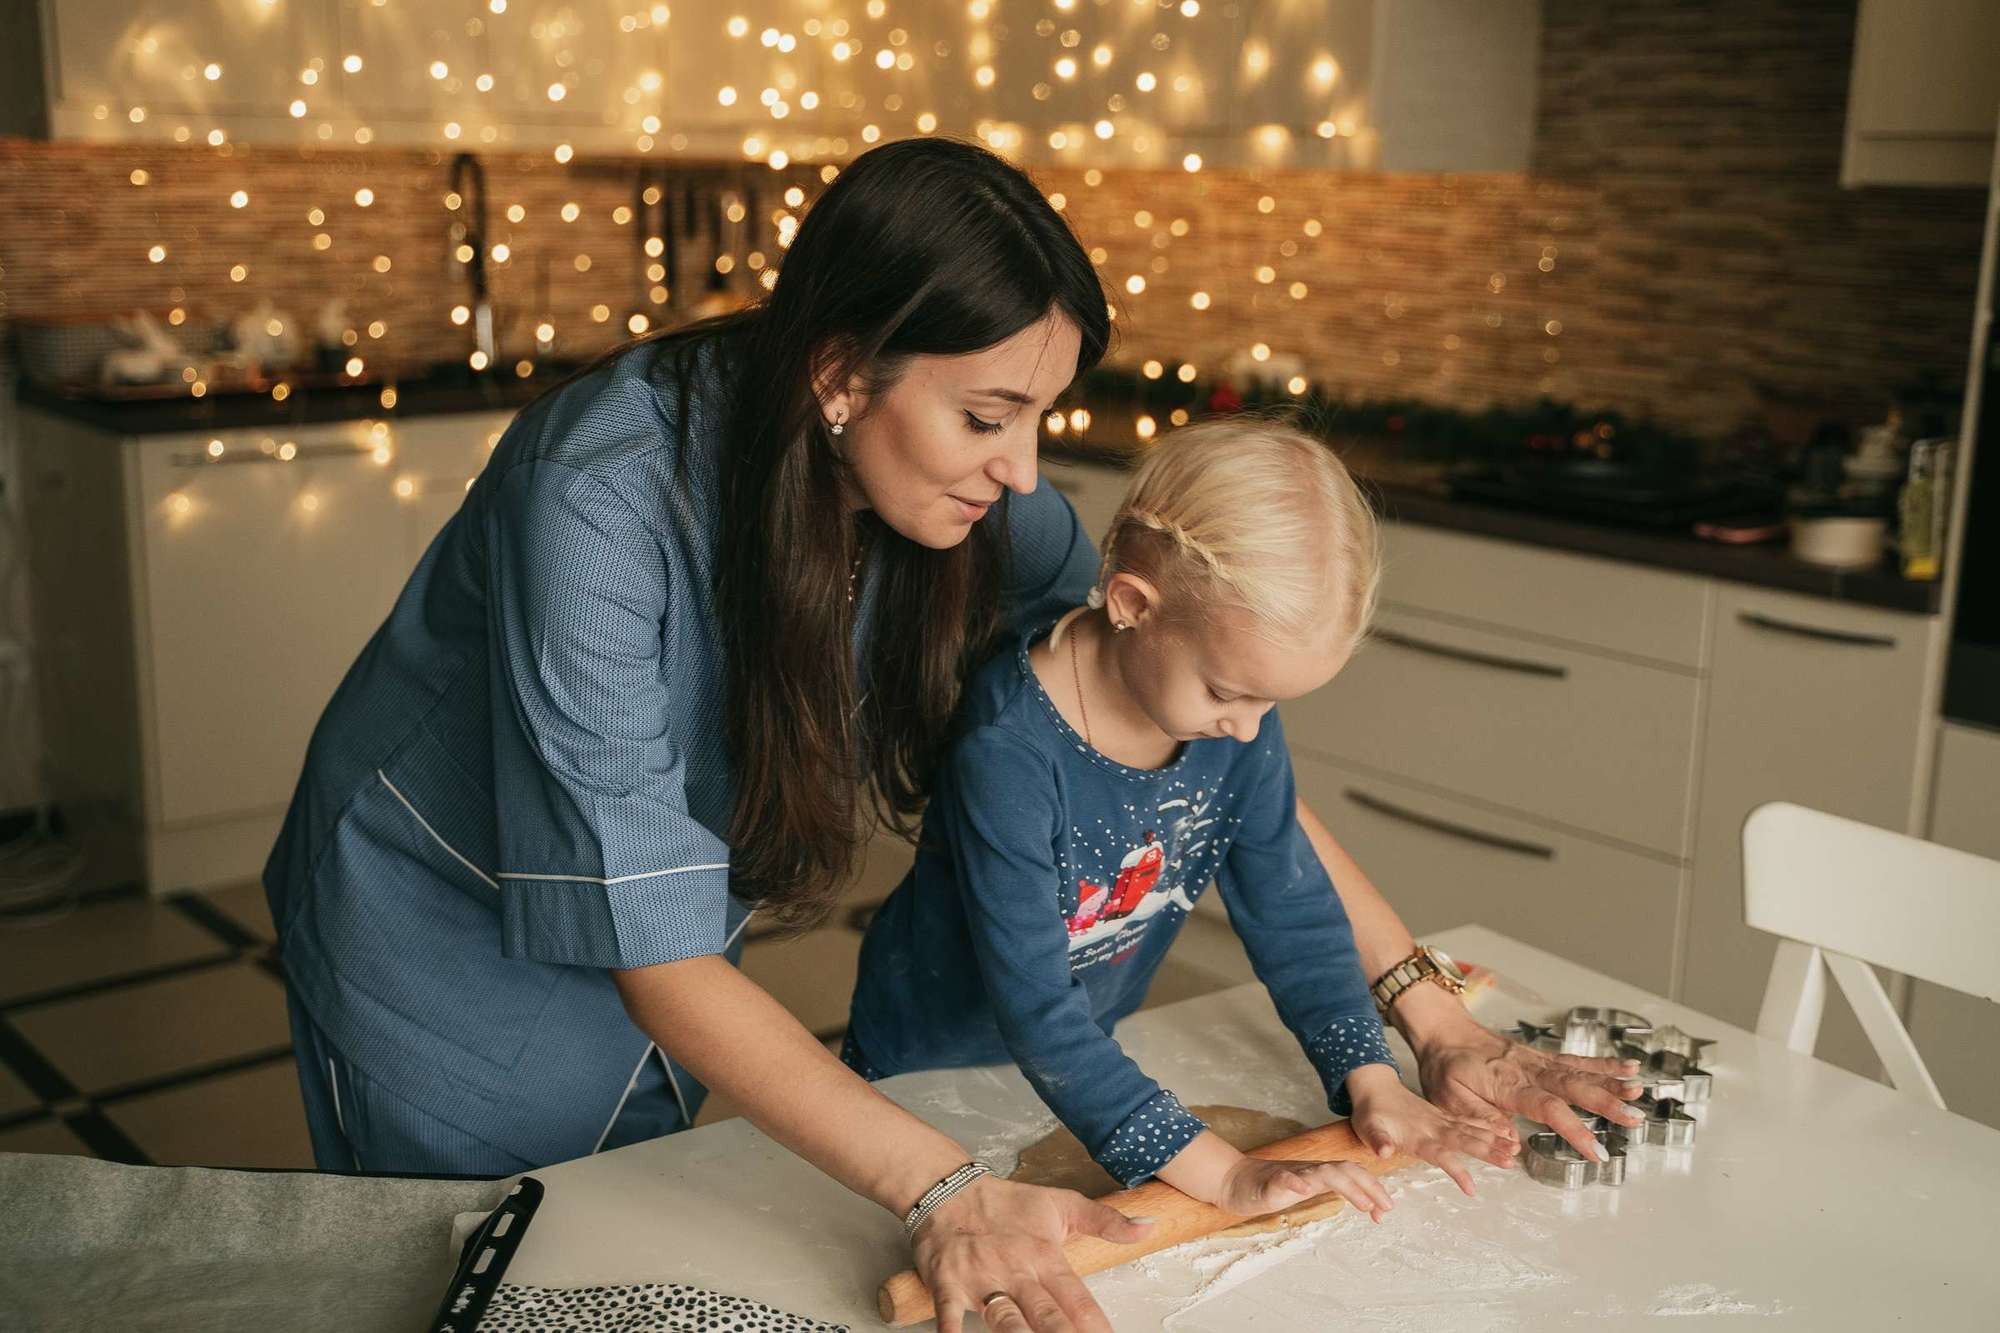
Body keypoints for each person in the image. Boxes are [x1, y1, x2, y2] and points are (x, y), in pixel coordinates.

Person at [266, 136, 1645, 1333]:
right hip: (439, 929)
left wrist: (1433, 1017)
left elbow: (1216, 758)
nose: (1026, 470)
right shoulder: (600, 503)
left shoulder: (974, 507)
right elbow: (654, 959)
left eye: (1041, 415)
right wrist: (941, 1188)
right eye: (989, 416)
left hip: (668, 934)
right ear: (838, 375)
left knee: (628, 1253)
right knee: (496, 1273)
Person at [845, 421, 1610, 1225]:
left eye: (1269, 702)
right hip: (922, 1075)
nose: (1250, 728)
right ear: (1134, 603)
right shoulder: (1009, 753)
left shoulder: (1229, 723)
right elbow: (1038, 1011)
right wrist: (1224, 1176)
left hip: (1082, 1062)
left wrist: (1371, 1077)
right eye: (1226, 693)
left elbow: (1295, 911)